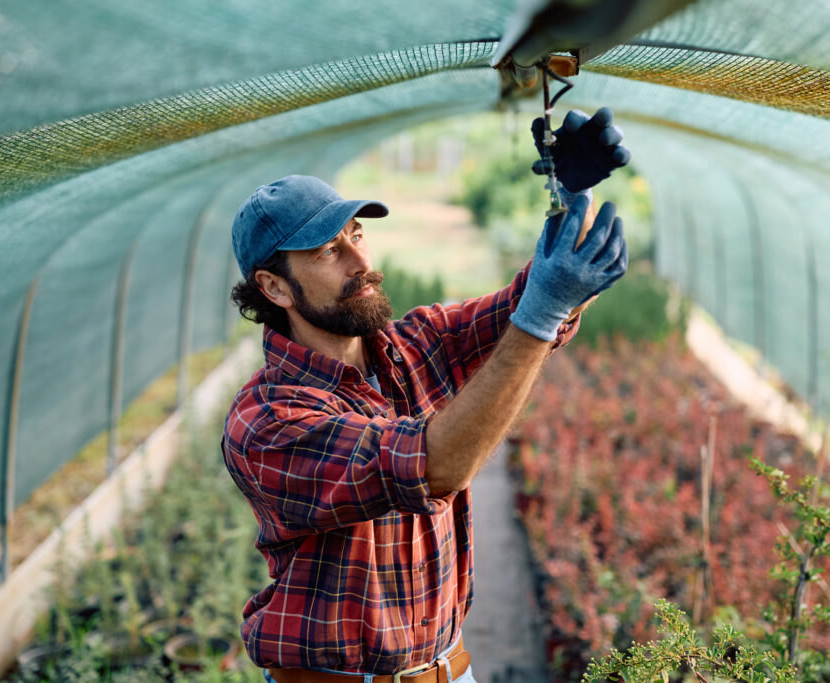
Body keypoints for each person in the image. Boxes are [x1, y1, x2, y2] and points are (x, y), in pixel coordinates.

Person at [222, 108, 630, 683]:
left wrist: (570, 196)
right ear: (272, 287)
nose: (362, 263)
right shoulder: (268, 421)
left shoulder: (417, 343)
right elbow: (436, 466)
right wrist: (542, 310)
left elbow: (535, 295)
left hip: (447, 668)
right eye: (326, 251)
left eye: (356, 235)